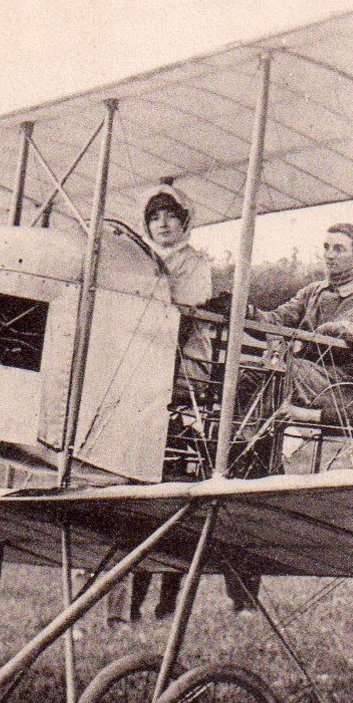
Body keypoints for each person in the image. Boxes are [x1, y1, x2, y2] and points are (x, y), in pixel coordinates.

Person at [127, 182, 212, 621]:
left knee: (170, 486)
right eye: (154, 217)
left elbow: (179, 319)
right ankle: (131, 602)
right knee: (136, 488)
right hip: (141, 369)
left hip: (181, 371)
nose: (162, 224)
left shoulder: (195, 265)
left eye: (170, 216)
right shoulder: (137, 262)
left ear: (184, 222)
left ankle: (165, 599)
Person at [253, 224, 353, 425]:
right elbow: (276, 321)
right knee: (252, 372)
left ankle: (243, 443)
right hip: (306, 373)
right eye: (326, 247)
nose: (329, 255)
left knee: (273, 372)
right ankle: (235, 439)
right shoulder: (313, 291)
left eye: (338, 249)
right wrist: (245, 312)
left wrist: (339, 328)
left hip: (343, 384)